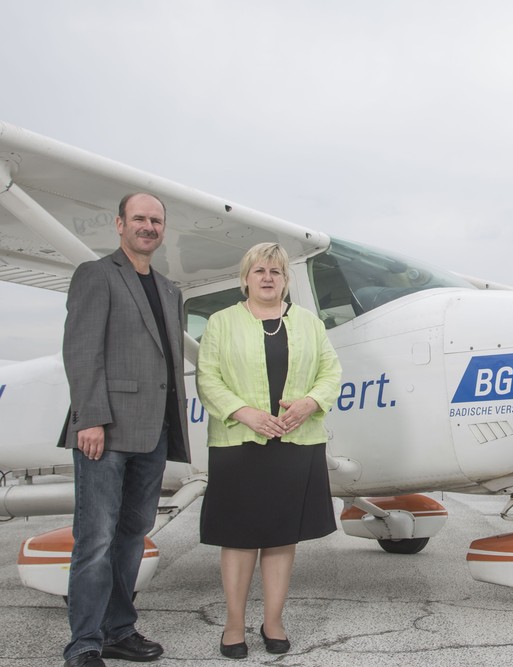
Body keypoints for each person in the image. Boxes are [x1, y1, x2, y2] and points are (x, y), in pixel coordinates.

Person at [60, 193, 191, 667]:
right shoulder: (96, 275)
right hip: (106, 429)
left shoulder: (171, 290)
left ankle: (119, 629)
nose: (148, 226)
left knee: (133, 534)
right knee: (95, 537)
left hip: (153, 432)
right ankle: (85, 642)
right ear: (119, 223)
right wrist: (90, 418)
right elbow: (81, 350)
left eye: (156, 220)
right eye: (139, 218)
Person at [197, 242, 342, 659]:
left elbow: (330, 371)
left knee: (281, 536)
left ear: (285, 280)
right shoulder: (221, 323)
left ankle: (273, 620)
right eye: (259, 270)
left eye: (275, 272)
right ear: (245, 278)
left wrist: (310, 403)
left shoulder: (310, 324)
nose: (266, 277)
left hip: (296, 441)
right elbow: (208, 378)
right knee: (239, 537)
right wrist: (244, 413)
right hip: (239, 443)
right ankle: (234, 624)